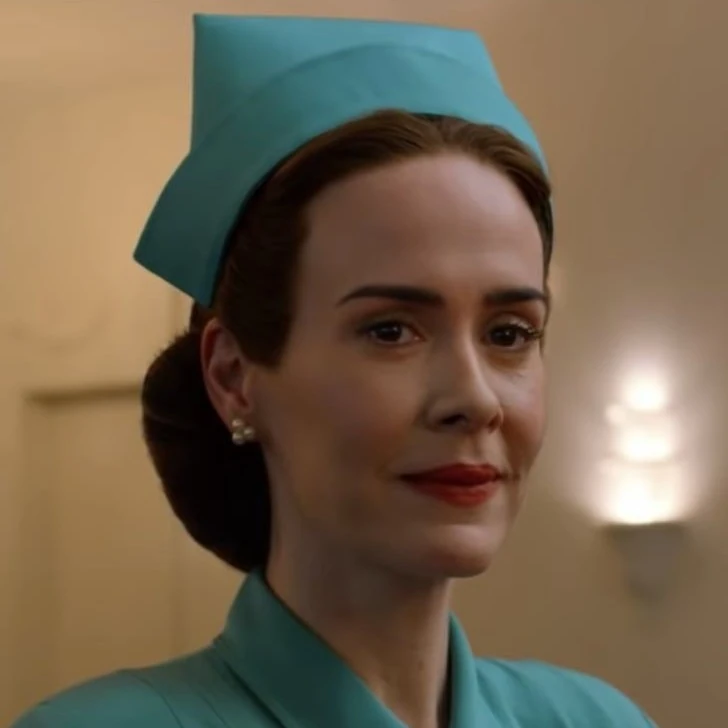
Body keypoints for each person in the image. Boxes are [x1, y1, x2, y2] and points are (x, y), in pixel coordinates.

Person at [12, 13, 658, 728]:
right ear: (234, 376)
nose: (475, 399)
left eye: (509, 333)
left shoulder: (594, 719)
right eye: (391, 330)